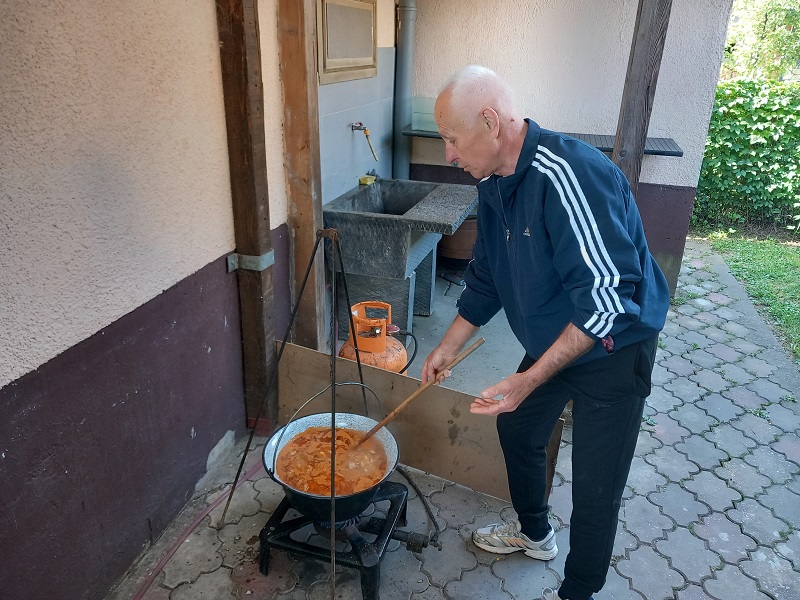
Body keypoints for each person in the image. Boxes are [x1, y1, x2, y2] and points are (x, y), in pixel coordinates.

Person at [421, 65, 670, 600]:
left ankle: (577, 591)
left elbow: (606, 302)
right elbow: (486, 274)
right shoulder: (493, 183)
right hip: (553, 342)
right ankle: (535, 534)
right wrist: (448, 345)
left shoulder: (570, 175)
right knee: (517, 429)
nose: (449, 155)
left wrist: (528, 379)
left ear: (490, 122)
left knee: (596, 490)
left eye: (451, 139)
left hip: (611, 351)